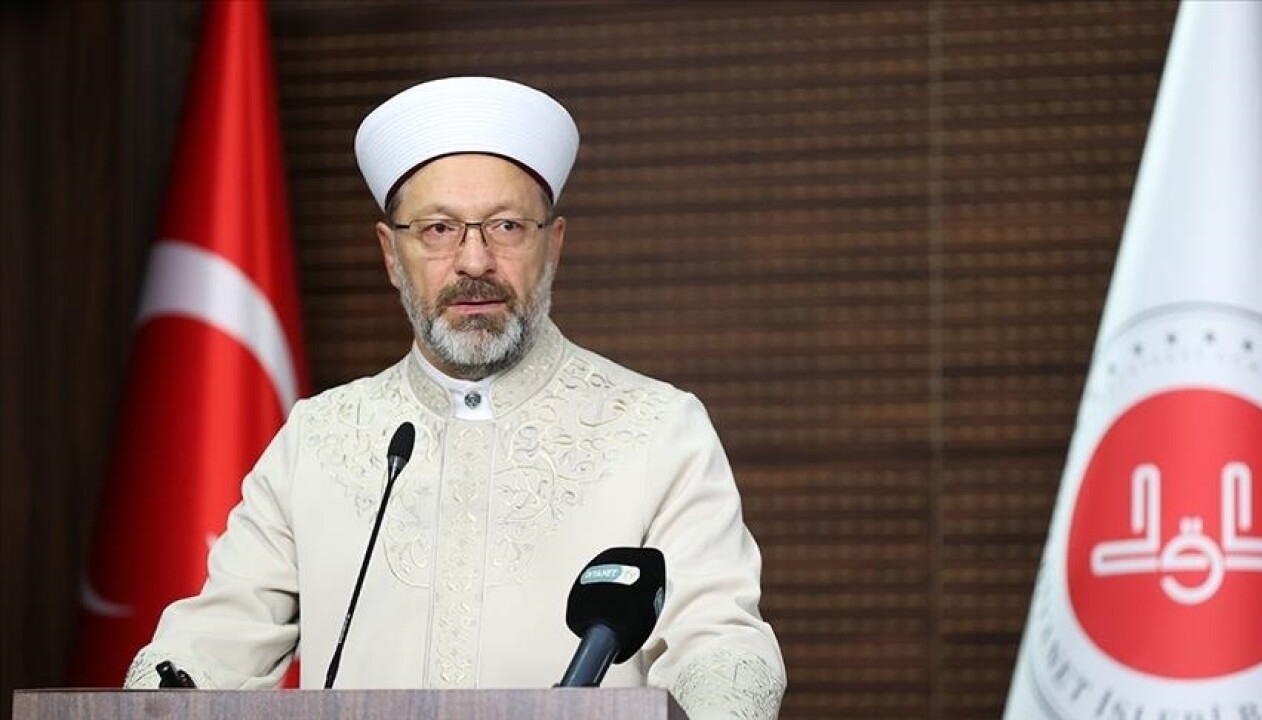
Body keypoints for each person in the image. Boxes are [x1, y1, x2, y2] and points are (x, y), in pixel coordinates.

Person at [124, 76, 786, 719]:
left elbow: (720, 644)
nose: (474, 262)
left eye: (506, 226)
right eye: (438, 229)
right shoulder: (317, 438)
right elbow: (208, 648)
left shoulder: (658, 429)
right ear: (391, 254)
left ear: (553, 245)